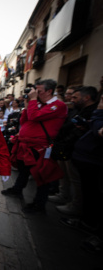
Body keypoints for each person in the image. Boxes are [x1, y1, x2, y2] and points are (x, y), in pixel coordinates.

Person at [1, 79, 68, 213]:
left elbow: (34, 117)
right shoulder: (38, 104)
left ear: (49, 91)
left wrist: (32, 102)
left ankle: (39, 204)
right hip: (26, 145)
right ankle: (17, 189)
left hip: (40, 147)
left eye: (39, 91)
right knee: (23, 169)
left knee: (41, 176)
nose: (35, 93)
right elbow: (24, 120)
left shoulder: (57, 106)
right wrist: (28, 104)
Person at [60, 94, 103, 254]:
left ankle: (89, 222)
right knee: (86, 191)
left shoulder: (97, 113)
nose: (100, 103)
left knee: (92, 194)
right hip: (81, 156)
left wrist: (98, 115)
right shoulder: (84, 112)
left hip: (92, 161)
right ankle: (84, 218)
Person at [50, 86, 98, 217]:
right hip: (67, 147)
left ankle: (76, 206)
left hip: (77, 151)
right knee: (65, 175)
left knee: (76, 181)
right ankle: (63, 195)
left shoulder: (92, 112)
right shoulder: (77, 110)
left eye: (75, 97)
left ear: (86, 97)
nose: (71, 99)